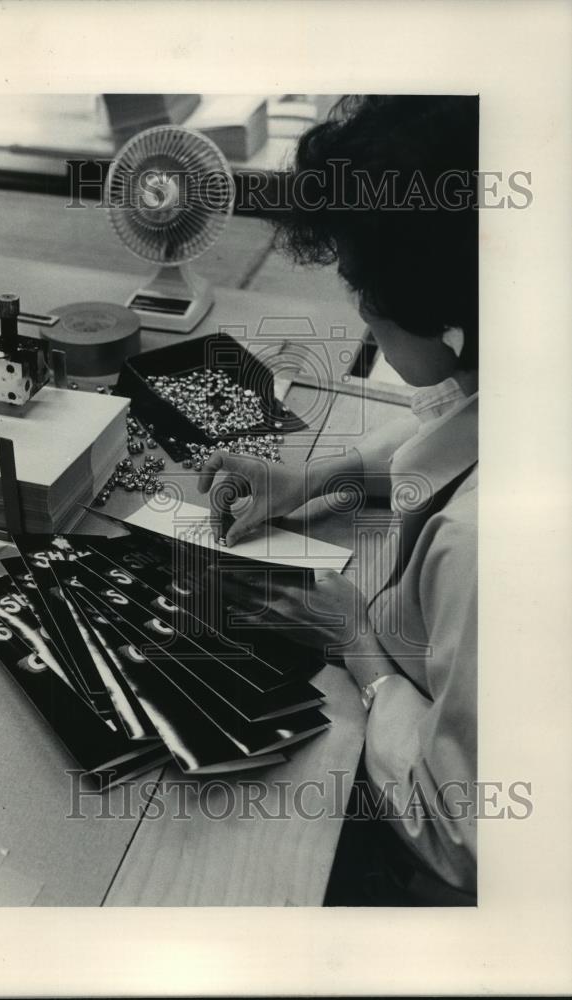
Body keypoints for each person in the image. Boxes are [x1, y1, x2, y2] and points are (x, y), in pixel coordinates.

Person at [198, 95, 479, 904]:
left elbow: (460, 839)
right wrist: (314, 479)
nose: (357, 312)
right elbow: (458, 426)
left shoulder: (478, 544)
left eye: (364, 293)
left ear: (448, 321)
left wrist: (361, 651)